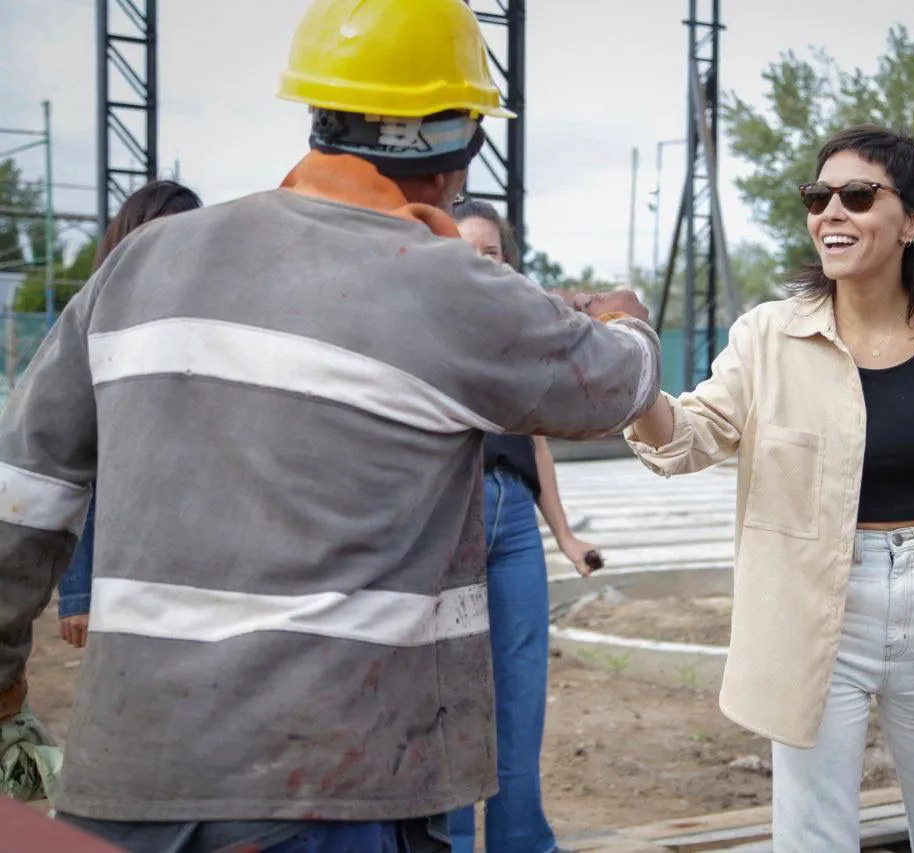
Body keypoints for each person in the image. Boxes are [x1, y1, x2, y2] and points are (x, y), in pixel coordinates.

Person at [0, 1, 662, 851]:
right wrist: (627, 317)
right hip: (326, 788)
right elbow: (617, 383)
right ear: (458, 143)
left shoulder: (142, 262)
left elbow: (20, 499)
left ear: (320, 113)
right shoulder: (443, 285)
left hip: (129, 777)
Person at [623, 125, 914, 852]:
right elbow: (689, 437)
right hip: (815, 605)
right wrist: (631, 374)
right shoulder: (768, 337)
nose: (830, 213)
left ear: (913, 221)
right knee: (813, 835)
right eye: (819, 197)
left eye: (857, 195)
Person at [447, 198, 596, 853]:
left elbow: (535, 440)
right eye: (464, 250)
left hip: (512, 527)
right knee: (449, 691)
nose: (481, 263)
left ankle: (522, 838)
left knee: (522, 686)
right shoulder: (415, 325)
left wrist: (564, 535)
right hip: (446, 520)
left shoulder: (516, 339)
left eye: (492, 252)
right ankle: (444, 840)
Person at [56, 180, 204, 650]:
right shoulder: (98, 328)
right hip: (126, 572)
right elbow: (76, 467)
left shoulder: (208, 326)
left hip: (202, 568)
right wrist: (78, 592)